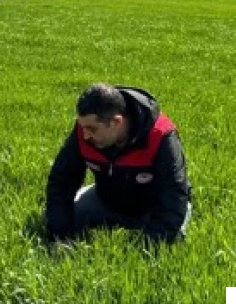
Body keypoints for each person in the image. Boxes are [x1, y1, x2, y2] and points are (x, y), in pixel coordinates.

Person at [45, 83, 192, 244]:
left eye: (92, 129)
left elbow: (174, 194)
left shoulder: (160, 135)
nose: (85, 135)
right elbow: (61, 180)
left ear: (116, 122)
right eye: (83, 127)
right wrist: (61, 237)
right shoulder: (84, 131)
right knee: (55, 216)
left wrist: (148, 248)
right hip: (105, 201)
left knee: (172, 238)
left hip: (153, 208)